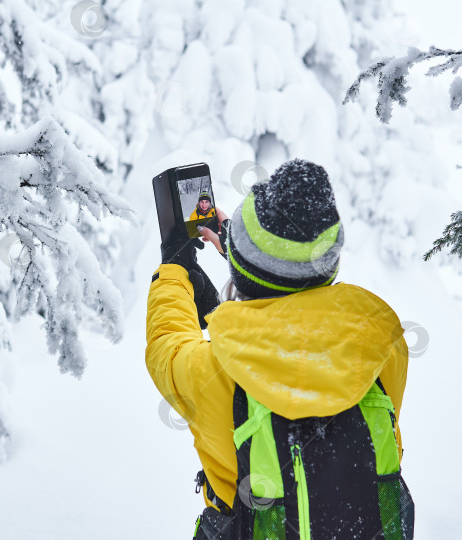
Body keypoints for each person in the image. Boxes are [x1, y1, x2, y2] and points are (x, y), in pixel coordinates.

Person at [146, 159, 413, 539]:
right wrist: (251, 260)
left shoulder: (212, 373)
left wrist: (173, 268)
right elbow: (308, 320)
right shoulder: (382, 346)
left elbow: (166, 345)